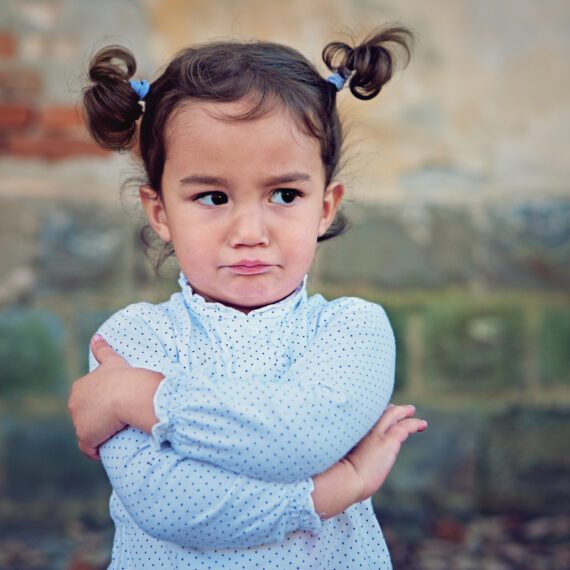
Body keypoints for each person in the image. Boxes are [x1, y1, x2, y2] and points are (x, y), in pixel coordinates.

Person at [68, 26, 427, 569]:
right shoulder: (128, 340)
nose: (250, 231)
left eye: (285, 194)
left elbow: (300, 437)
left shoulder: (353, 329)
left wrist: (141, 400)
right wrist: (329, 492)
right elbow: (171, 505)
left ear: (325, 206)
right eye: (212, 196)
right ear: (160, 211)